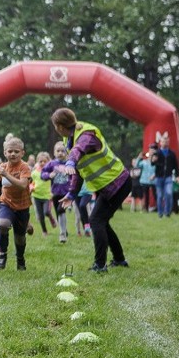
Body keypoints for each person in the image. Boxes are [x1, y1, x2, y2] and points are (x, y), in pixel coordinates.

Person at [50, 107, 131, 272]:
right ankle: (119, 259)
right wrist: (72, 193)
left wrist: (70, 162)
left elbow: (79, 151)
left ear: (59, 126)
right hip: (108, 185)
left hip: (118, 183)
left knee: (96, 220)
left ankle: (100, 265)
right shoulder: (69, 140)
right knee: (101, 221)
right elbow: (79, 171)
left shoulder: (87, 134)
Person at [0, 137, 32, 270]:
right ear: (5, 153)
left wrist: (6, 175)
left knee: (20, 238)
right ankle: (2, 254)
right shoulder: (3, 166)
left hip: (22, 207)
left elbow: (22, 185)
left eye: (16, 151)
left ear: (22, 153)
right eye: (10, 151)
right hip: (5, 203)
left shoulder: (24, 167)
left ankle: (20, 259)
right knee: (2, 224)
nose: (13, 154)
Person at [41, 142, 71, 242]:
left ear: (67, 153)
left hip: (66, 193)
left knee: (60, 210)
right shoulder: (52, 163)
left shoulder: (69, 164)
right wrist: (49, 175)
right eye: (58, 151)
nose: (60, 153)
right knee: (58, 213)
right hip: (55, 193)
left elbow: (74, 176)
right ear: (54, 152)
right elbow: (43, 174)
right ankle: (64, 230)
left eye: (63, 151)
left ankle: (62, 235)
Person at [151, 136, 179, 218]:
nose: (165, 143)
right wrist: (153, 160)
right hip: (159, 177)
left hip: (168, 177)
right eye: (163, 141)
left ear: (168, 142)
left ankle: (167, 212)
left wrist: (177, 176)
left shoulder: (172, 153)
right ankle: (160, 213)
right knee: (159, 196)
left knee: (169, 193)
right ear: (160, 142)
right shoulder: (157, 152)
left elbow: (176, 166)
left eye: (166, 141)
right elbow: (152, 164)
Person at [31, 152, 56, 236]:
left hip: (47, 196)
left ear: (48, 162)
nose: (42, 163)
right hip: (36, 195)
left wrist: (53, 192)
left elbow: (54, 183)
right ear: (37, 161)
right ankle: (44, 231)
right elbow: (31, 182)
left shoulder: (50, 172)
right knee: (41, 216)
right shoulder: (34, 172)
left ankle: (51, 218)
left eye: (44, 161)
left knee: (46, 212)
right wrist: (31, 187)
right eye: (40, 161)